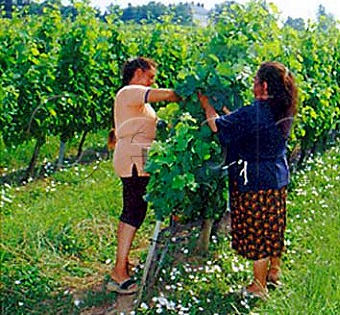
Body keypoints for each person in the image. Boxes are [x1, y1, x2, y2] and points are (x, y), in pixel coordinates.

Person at [198, 61, 298, 298]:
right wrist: (228, 113)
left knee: (257, 231)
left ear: (263, 85)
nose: (252, 84)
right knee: (273, 226)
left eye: (255, 81)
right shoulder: (282, 107)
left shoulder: (255, 111)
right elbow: (247, 125)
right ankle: (274, 272)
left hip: (254, 180)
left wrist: (206, 105)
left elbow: (216, 127)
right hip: (276, 176)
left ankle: (258, 286)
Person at [107, 57, 181, 294]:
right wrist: (190, 92)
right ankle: (118, 273)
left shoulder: (137, 100)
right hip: (132, 160)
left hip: (139, 159)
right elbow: (168, 95)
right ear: (138, 73)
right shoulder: (128, 92)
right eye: (150, 76)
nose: (152, 81)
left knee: (135, 210)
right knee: (133, 211)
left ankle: (122, 264)